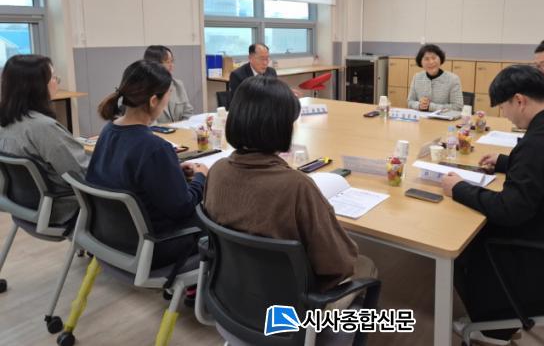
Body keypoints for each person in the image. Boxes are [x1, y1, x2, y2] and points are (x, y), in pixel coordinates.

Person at [441, 65, 544, 345]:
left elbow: (509, 210)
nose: (504, 114)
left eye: (503, 107)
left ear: (519, 100)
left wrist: (459, 188)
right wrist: (506, 162)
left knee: (463, 240)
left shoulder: (538, 142)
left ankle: (493, 328)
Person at [203, 76, 375, 302]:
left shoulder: (217, 170)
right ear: (282, 128)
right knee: (365, 265)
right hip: (289, 305)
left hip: (231, 295)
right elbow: (340, 264)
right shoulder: (296, 186)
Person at [87, 60, 207, 268]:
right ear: (153, 100)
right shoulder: (154, 148)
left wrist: (171, 172)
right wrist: (200, 178)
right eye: (168, 95)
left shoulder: (108, 131)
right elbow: (183, 207)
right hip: (155, 245)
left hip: (114, 236)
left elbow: (125, 176)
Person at [0, 54, 87, 225]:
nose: (57, 81)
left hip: (23, 207)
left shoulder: (6, 122)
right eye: (53, 77)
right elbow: (80, 174)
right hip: (62, 210)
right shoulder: (43, 128)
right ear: (37, 86)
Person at [143, 45, 194, 124]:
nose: (171, 65)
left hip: (181, 130)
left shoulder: (178, 84)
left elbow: (188, 112)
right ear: (154, 64)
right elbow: (148, 121)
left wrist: (183, 127)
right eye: (167, 62)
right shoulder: (144, 88)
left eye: (172, 61)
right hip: (157, 131)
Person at [407, 43, 463, 112]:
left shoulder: (453, 79)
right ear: (421, 62)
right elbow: (410, 102)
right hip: (421, 117)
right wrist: (419, 105)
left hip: (443, 118)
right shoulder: (417, 77)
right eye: (426, 59)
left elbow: (458, 107)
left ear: (440, 59)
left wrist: (431, 106)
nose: (431, 62)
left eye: (434, 58)